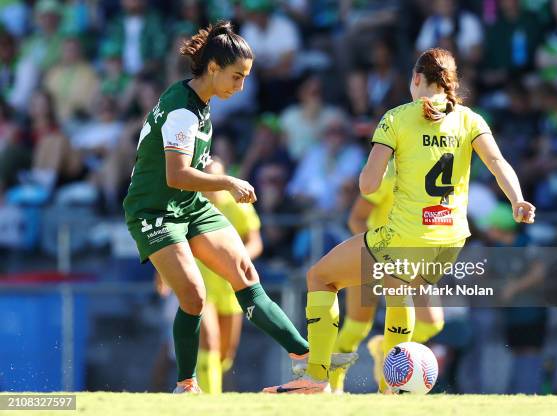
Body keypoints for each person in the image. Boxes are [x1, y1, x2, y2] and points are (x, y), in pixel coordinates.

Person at [264, 47, 536, 394]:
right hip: (450, 239)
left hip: (405, 234)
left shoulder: (396, 118)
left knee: (320, 277)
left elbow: (368, 184)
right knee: (400, 296)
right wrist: (518, 200)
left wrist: (372, 167)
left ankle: (317, 377)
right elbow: (498, 163)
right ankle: (391, 388)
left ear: (416, 79)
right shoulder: (470, 119)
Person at [122, 21, 354, 394]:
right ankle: (186, 386)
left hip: (188, 205)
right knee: (194, 297)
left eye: (245, 77)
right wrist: (228, 182)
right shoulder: (182, 109)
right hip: (154, 212)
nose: (241, 85)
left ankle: (305, 361)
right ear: (213, 68)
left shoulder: (200, 102)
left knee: (246, 272)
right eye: (236, 76)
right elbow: (177, 174)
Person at [329, 157, 445, 394]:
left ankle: (386, 348)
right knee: (356, 328)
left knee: (433, 323)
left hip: (411, 258)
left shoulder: (438, 178)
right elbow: (356, 219)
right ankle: (333, 385)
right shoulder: (387, 177)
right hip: (373, 256)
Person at [195, 157, 262, 394]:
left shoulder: (238, 204)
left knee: (225, 354)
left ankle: (207, 385)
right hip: (201, 285)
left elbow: (255, 242)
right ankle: (209, 403)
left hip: (231, 286)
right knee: (209, 340)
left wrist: (238, 258)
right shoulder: (191, 203)